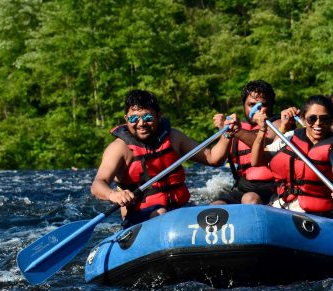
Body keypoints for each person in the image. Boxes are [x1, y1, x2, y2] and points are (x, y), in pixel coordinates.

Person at [91, 90, 236, 227]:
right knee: (160, 213)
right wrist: (113, 194)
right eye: (134, 118)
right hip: (140, 219)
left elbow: (213, 159)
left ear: (159, 116)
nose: (141, 124)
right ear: (126, 119)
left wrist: (227, 134)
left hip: (180, 211)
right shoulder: (119, 149)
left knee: (218, 206)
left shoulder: (174, 137)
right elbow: (98, 184)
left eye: (148, 118)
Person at [251, 95, 333, 217]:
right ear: (303, 119)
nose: (318, 123)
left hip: (316, 215)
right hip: (281, 207)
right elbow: (256, 161)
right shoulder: (289, 137)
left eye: (325, 119)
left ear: (331, 120)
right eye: (312, 118)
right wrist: (261, 131)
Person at [210, 80, 281, 205]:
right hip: (243, 187)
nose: (257, 109)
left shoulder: (278, 125)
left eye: (262, 105)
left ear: (271, 106)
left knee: (250, 199)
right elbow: (216, 159)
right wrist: (226, 133)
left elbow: (264, 143)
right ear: (244, 105)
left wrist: (236, 130)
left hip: (272, 188)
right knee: (216, 206)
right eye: (251, 104)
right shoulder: (238, 127)